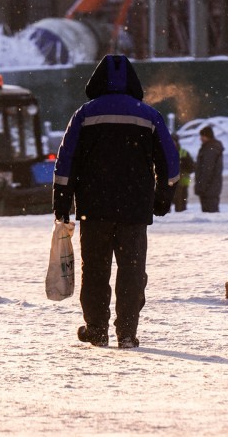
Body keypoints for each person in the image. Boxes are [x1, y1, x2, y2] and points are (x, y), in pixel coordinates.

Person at [52, 55, 180, 349]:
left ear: (97, 81)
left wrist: (62, 201)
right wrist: (163, 196)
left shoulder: (84, 115)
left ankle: (96, 328)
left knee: (95, 269)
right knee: (131, 270)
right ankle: (126, 332)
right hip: (135, 209)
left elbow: (65, 162)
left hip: (94, 209)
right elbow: (170, 164)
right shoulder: (149, 116)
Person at [194, 126, 224, 213]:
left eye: (202, 136)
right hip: (211, 187)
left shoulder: (210, 149)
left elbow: (207, 170)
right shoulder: (209, 147)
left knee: (210, 214)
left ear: (208, 136)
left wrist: (201, 186)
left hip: (209, 188)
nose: (200, 138)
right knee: (211, 212)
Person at [172, 134, 195, 212]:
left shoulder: (184, 153)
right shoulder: (164, 152)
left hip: (182, 184)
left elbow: (191, 167)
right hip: (168, 184)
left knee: (181, 207)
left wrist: (183, 170)